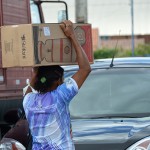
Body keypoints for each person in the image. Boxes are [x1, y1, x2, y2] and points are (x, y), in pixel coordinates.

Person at [23, 20, 91, 150]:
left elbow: (34, 79)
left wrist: (38, 58)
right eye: (63, 80)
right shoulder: (60, 97)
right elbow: (85, 69)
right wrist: (72, 36)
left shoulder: (28, 100)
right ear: (57, 81)